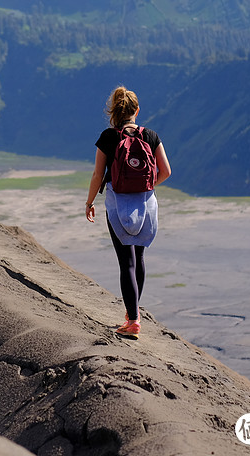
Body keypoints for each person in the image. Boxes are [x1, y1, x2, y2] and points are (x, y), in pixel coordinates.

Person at [85, 85, 172, 338]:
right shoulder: (151, 136)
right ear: (137, 111)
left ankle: (133, 321)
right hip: (146, 204)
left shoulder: (108, 138)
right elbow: (166, 171)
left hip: (117, 205)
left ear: (114, 112)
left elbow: (97, 175)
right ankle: (133, 313)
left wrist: (89, 202)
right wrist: (145, 186)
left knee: (126, 262)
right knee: (139, 259)